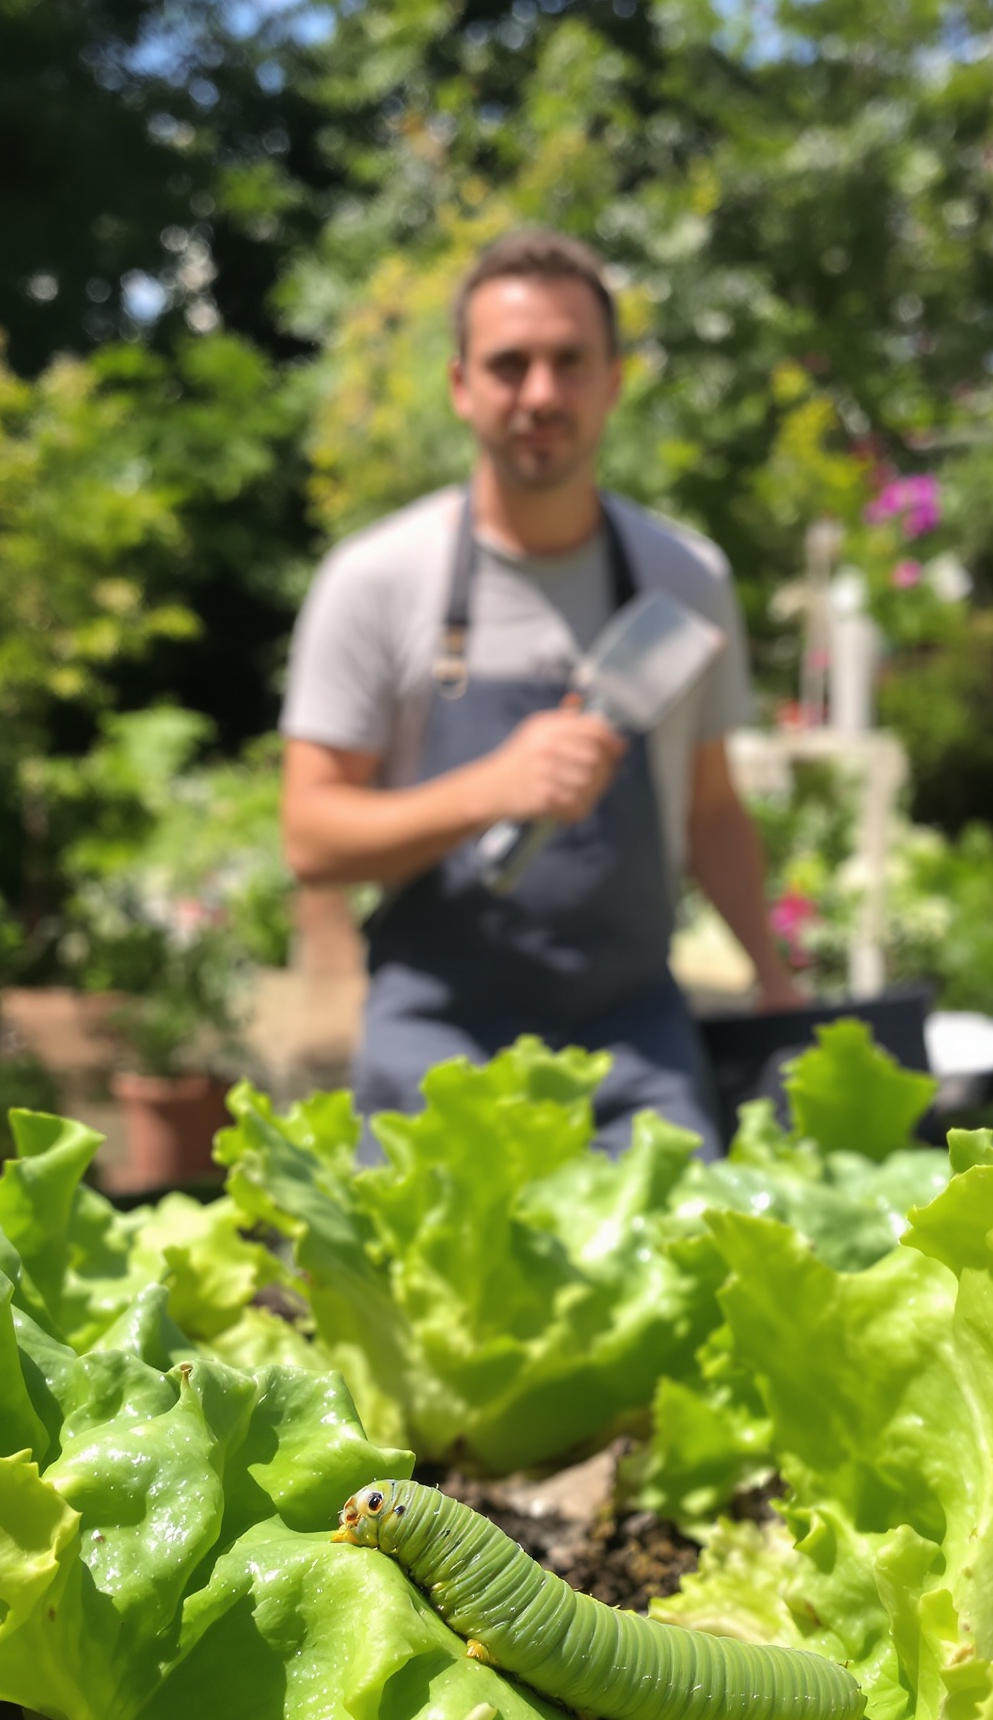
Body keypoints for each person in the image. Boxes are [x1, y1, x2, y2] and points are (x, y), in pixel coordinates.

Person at [280, 226, 802, 1155]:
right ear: (460, 385)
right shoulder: (377, 579)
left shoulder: (684, 580)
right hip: (430, 1052)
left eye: (570, 362)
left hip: (633, 1053)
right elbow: (311, 836)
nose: (541, 395)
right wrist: (491, 788)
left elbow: (713, 811)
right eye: (509, 365)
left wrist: (774, 978)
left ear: (614, 381)